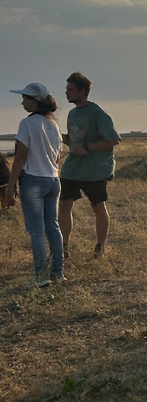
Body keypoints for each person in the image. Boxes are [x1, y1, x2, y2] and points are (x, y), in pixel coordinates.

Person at [3, 82, 65, 286]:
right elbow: (56, 156)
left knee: (36, 230)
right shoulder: (53, 125)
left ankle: (41, 275)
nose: (22, 102)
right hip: (53, 180)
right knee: (53, 227)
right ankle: (58, 272)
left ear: (34, 101)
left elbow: (20, 158)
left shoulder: (27, 124)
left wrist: (10, 188)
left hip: (33, 181)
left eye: (25, 98)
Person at [58, 72, 120, 258]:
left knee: (97, 206)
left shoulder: (97, 113)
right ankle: (64, 247)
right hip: (72, 169)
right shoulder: (72, 113)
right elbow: (74, 141)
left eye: (70, 89)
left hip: (94, 171)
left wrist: (88, 147)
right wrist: (56, 135)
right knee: (63, 205)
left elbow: (113, 139)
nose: (66, 93)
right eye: (66, 89)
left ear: (82, 92)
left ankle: (100, 248)